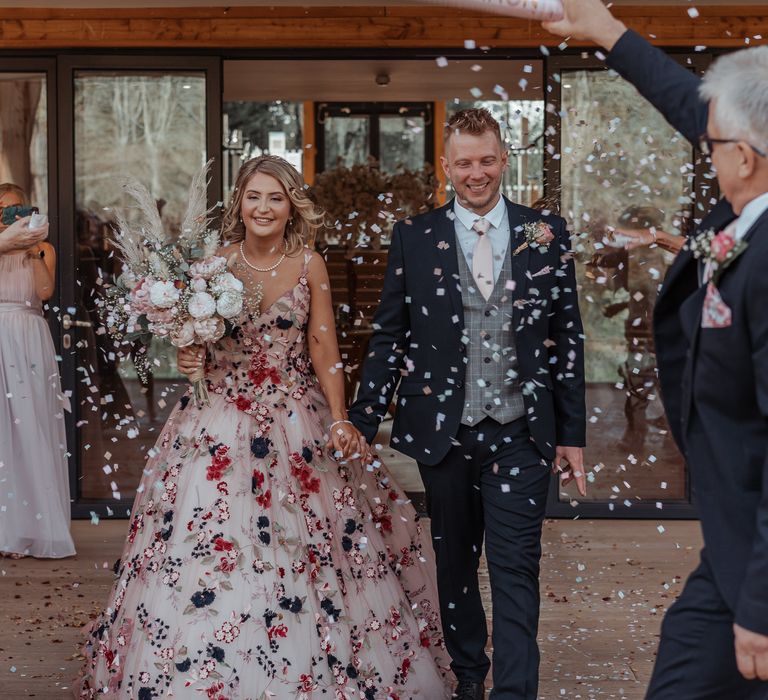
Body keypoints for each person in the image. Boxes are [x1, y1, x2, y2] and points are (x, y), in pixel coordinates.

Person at [77, 155, 451, 699]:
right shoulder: (213, 264)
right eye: (254, 197)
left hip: (295, 417)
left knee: (304, 544)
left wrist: (341, 416)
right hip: (219, 423)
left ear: (291, 206)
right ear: (240, 204)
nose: (264, 207)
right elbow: (197, 343)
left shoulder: (310, 264)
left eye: (275, 197)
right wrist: (189, 357)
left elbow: (323, 346)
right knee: (213, 538)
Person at [545, 3, 768, 696]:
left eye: (712, 143)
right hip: (737, 542)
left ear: (745, 155)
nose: (703, 148)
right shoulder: (745, 214)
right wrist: (605, 31)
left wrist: (761, 607)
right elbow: (692, 105)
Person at [347, 108, 587, 700]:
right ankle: (470, 680)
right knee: (453, 570)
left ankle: (515, 692)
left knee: (515, 570)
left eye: (486, 160)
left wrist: (572, 435)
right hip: (444, 434)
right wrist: (360, 420)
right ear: (445, 167)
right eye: (463, 162)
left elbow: (568, 337)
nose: (475, 173)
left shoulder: (546, 232)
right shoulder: (414, 235)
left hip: (520, 432)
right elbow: (389, 336)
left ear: (504, 160)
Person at [0, 183, 75, 559]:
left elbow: (44, 293)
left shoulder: (43, 249)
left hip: (29, 335)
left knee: (30, 425)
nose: (11, 216)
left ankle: (31, 526)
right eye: (4, 210)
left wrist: (30, 252)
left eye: (17, 209)